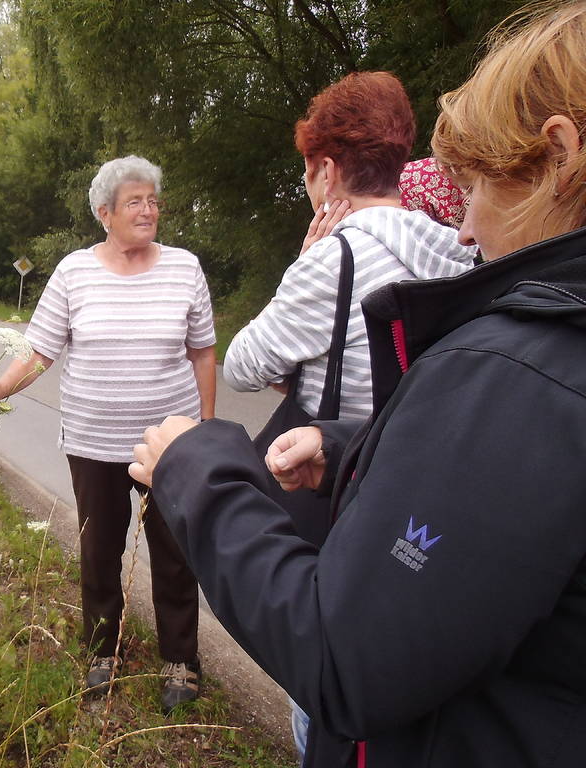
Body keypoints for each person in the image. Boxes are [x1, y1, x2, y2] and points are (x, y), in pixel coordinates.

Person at [129, 2, 586, 765]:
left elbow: (349, 660)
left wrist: (194, 465)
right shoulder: (452, 252)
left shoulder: (518, 361)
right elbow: (508, 484)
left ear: (560, 155)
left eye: (474, 186)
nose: (468, 227)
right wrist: (352, 447)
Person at [222, 70, 476, 758]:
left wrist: (300, 265)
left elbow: (242, 363)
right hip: (434, 501)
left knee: (328, 687)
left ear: (327, 172)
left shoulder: (331, 259)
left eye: (310, 173)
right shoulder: (462, 248)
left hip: (341, 496)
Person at [0, 155, 217, 713]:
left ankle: (182, 658)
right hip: (93, 443)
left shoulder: (183, 268)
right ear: (105, 213)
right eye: (134, 202)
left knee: (175, 551)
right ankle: (102, 650)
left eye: (152, 200)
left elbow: (202, 353)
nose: (147, 210)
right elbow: (42, 348)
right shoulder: (74, 272)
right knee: (100, 550)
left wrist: (207, 429)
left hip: (169, 444)